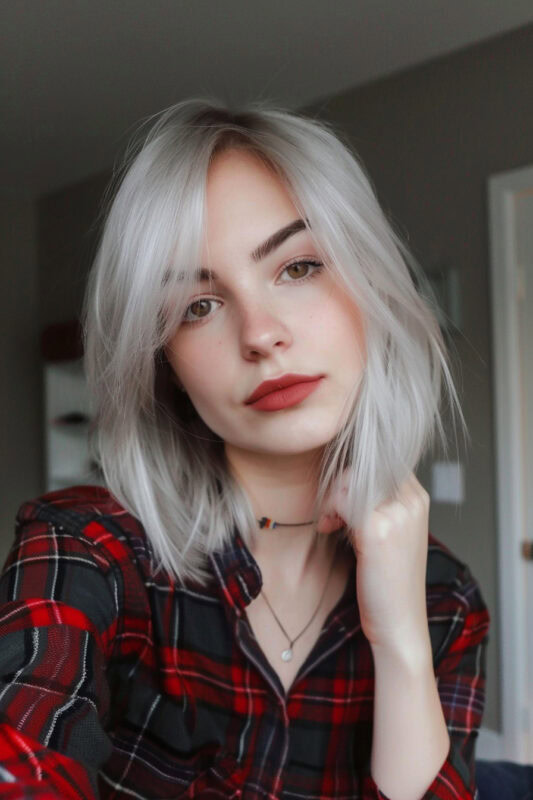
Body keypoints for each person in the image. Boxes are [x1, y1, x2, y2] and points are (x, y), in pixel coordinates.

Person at [0, 99, 490, 799]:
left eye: (298, 267)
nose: (259, 333)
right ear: (163, 360)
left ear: (373, 285)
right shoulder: (87, 549)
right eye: (197, 306)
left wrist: (401, 642)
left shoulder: (446, 597)